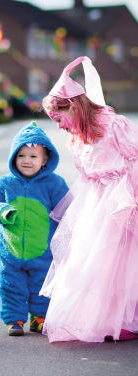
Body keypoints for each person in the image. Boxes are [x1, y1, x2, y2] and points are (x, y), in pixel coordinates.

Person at [40, 55, 138, 343]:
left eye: (60, 118)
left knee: (122, 260)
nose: (59, 126)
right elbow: (88, 174)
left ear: (74, 106)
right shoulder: (77, 136)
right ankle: (105, 317)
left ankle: (124, 316)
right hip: (95, 204)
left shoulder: (113, 124)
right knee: (93, 259)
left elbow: (133, 160)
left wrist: (132, 199)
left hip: (121, 199)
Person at [0, 121, 69, 336]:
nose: (26, 161)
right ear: (13, 157)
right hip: (10, 251)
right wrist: (2, 211)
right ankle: (15, 320)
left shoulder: (54, 184)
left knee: (41, 286)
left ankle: (39, 318)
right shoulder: (4, 183)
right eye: (21, 156)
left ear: (45, 159)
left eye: (33, 157)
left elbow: (67, 209)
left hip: (42, 250)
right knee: (11, 285)